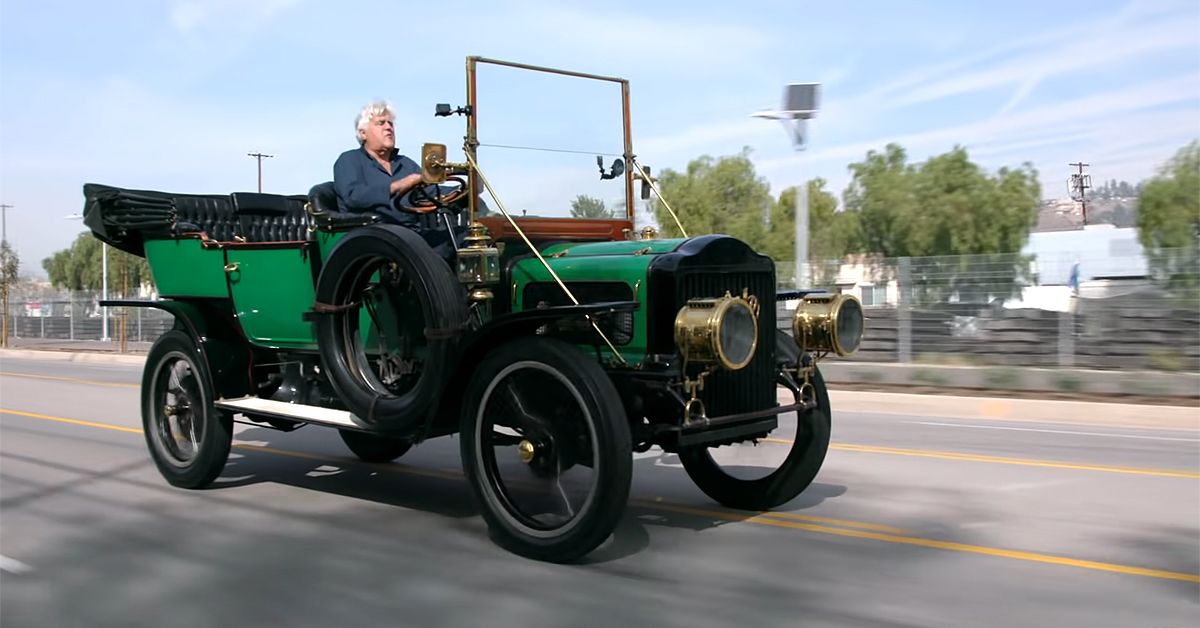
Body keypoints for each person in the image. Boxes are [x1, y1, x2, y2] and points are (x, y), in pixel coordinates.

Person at [333, 101, 426, 226]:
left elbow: (431, 192)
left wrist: (454, 188)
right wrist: (398, 186)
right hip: (374, 233)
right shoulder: (349, 160)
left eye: (390, 124)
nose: (388, 128)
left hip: (414, 231)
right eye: (381, 123)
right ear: (363, 133)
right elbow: (353, 196)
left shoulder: (406, 164)